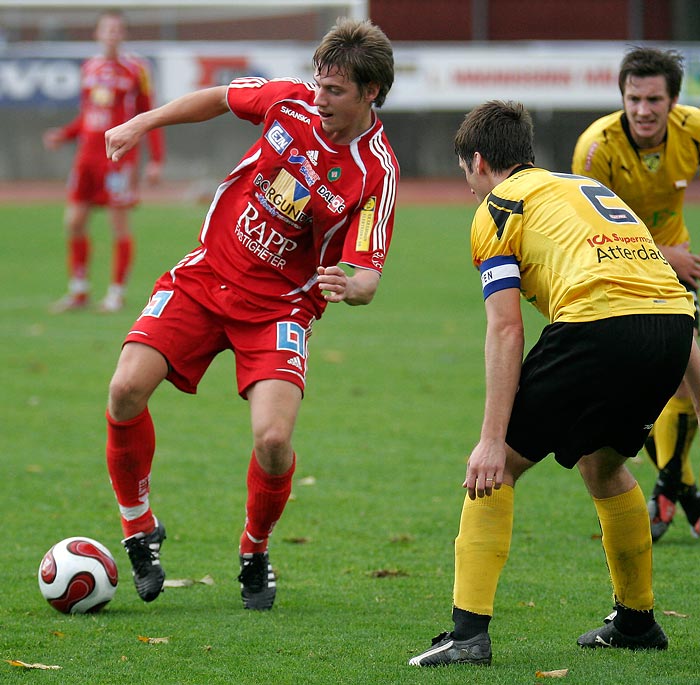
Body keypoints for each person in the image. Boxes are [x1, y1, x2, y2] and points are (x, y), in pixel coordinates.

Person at [102, 18, 398, 609]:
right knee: (125, 389)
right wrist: (143, 120)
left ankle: (255, 548)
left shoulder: (375, 172)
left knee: (272, 441)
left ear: (370, 94)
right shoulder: (290, 102)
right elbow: (217, 97)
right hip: (207, 275)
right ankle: (139, 528)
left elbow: (367, 271)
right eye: (319, 83)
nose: (320, 98)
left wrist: (357, 286)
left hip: (279, 309)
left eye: (335, 92)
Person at [409, 100, 698, 668]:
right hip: (672, 325)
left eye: (466, 173)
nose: (468, 187)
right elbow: (657, 288)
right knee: (605, 465)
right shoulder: (583, 187)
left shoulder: (498, 205)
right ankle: (637, 622)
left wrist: (493, 437)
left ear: (479, 161)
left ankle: (467, 633)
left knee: (498, 469)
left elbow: (505, 327)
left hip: (598, 325)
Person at [572, 47, 700, 542]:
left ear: (673, 101)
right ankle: (682, 489)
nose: (643, 110)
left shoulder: (692, 130)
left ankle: (668, 486)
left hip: (676, 266)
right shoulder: (595, 149)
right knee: (660, 381)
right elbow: (586, 229)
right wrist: (667, 254)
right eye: (633, 98)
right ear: (621, 97)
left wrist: (674, 256)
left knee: (687, 378)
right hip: (617, 272)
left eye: (653, 99)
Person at [43, 9, 164, 313]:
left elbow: (149, 114)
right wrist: (65, 135)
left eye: (116, 30)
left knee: (118, 224)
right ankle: (79, 290)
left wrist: (156, 159)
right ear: (97, 34)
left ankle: (116, 293)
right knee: (74, 221)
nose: (111, 35)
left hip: (118, 157)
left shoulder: (137, 69)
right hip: (87, 157)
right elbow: (88, 116)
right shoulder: (89, 68)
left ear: (123, 35)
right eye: (106, 30)